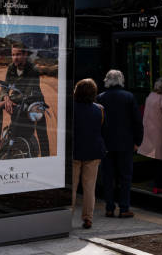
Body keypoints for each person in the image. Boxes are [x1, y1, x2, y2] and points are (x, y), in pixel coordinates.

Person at [0, 42, 50, 157]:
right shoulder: (11, 67)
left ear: (25, 54)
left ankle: (46, 157)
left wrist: (8, 101)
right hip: (17, 99)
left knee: (41, 130)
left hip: (34, 102)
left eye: (18, 54)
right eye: (13, 54)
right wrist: (6, 98)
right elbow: (5, 86)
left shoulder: (33, 70)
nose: (15, 57)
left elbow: (28, 93)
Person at [97, 70, 143, 218]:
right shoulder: (129, 97)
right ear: (121, 80)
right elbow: (137, 121)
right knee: (125, 177)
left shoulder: (100, 98)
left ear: (107, 80)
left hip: (106, 144)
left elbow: (97, 123)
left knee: (108, 177)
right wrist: (138, 141)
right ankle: (124, 208)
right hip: (125, 144)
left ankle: (109, 208)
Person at [72, 78, 106, 229]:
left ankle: (67, 216)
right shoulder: (100, 109)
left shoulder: (70, 108)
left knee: (72, 187)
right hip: (93, 151)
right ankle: (88, 218)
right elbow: (101, 128)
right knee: (89, 187)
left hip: (74, 151)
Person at [138, 77, 162, 194]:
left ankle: (156, 184)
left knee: (156, 161)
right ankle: (159, 186)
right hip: (161, 134)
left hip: (150, 132)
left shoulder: (150, 96)